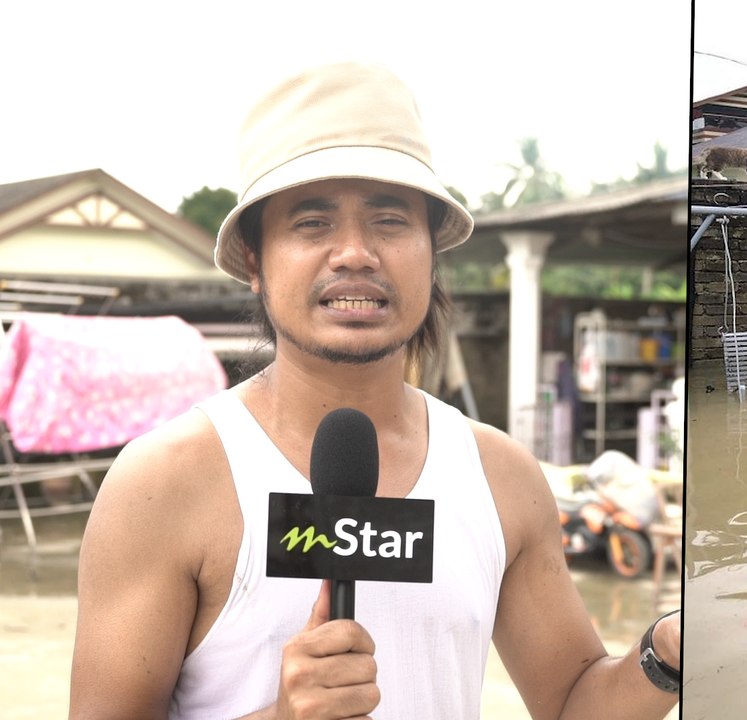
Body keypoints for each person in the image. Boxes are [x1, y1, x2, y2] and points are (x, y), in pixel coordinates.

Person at [69, 61, 681, 719]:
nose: (355, 253)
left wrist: (669, 652)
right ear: (254, 259)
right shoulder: (165, 482)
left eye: (390, 220)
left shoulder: (502, 475)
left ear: (430, 249)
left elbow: (572, 702)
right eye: (313, 222)